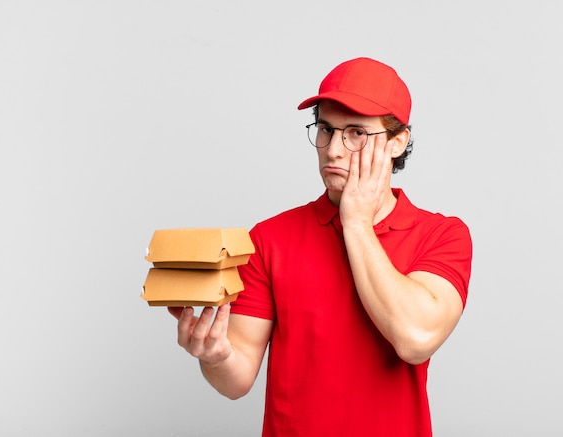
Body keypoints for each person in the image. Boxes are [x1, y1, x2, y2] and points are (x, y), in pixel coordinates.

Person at [168, 57, 473, 436]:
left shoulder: (442, 235)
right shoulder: (269, 238)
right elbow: (237, 379)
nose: (333, 150)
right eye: (326, 129)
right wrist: (216, 356)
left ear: (397, 141)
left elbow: (415, 339)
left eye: (357, 133)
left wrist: (356, 222)